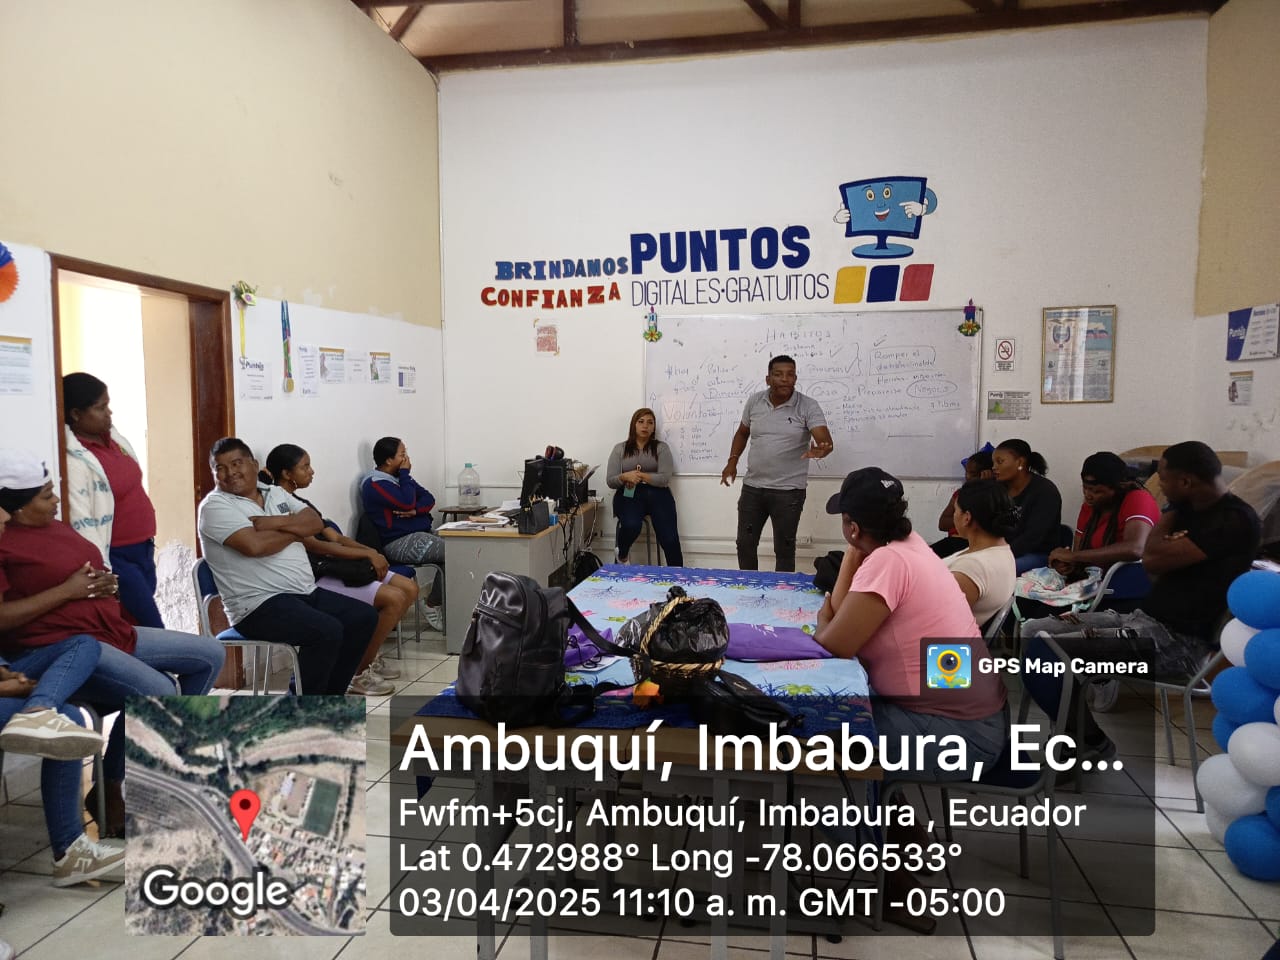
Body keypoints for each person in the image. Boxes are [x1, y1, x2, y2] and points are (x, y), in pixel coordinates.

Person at [813, 467, 1006, 933]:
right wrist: (852, 555)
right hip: (969, 716)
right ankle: (911, 842)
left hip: (960, 735)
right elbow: (842, 611)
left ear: (853, 526)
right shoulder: (910, 546)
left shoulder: (889, 563)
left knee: (832, 749)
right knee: (860, 726)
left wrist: (824, 617)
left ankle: (894, 890)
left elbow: (834, 641)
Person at [0, 449, 224, 839]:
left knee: (210, 655)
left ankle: (142, 767)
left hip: (110, 630)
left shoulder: (54, 526)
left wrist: (106, 584)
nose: (56, 500)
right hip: (62, 646)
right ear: (17, 508)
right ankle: (118, 784)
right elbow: (6, 616)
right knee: (161, 691)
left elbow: (85, 569)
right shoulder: (6, 542)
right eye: (46, 495)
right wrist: (69, 591)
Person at [1020, 441, 1262, 758]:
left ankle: (1088, 741)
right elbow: (1155, 563)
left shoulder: (1233, 520)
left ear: (1186, 482)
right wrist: (1171, 527)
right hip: (1144, 620)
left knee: (1048, 654)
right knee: (1031, 630)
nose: (1158, 487)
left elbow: (1149, 557)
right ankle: (1076, 732)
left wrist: (1171, 518)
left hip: (1177, 643)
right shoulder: (1191, 511)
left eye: (1164, 480)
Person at [198, 438, 375, 697]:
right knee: (327, 631)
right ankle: (302, 705)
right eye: (220, 468)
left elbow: (314, 521)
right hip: (257, 605)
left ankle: (330, 698)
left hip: (303, 593)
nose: (230, 472)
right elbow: (254, 546)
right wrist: (295, 529)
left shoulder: (274, 492)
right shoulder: (215, 506)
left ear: (253, 464)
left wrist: (273, 523)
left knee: (363, 617)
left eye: (236, 463)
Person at [261, 444, 419, 696]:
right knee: (394, 598)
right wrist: (367, 555)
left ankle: (366, 657)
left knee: (409, 588)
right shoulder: (277, 505)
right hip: (320, 573)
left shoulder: (300, 502)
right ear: (287, 474)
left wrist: (373, 553)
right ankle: (357, 673)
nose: (312, 471)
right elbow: (318, 547)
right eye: (305, 467)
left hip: (336, 565)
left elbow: (335, 537)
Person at [61, 372, 163, 627]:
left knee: (134, 625)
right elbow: (81, 519)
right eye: (101, 407)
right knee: (152, 626)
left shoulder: (114, 440)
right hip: (116, 555)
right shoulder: (75, 459)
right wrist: (102, 567)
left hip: (143, 548)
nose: (109, 413)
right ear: (76, 414)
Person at [720, 355, 834, 572]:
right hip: (753, 488)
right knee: (745, 545)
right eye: (778, 374)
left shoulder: (808, 406)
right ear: (768, 379)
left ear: (795, 378)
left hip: (788, 492)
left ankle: (783, 591)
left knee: (784, 549)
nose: (785, 379)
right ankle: (748, 586)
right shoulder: (755, 401)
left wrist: (823, 448)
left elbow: (824, 439)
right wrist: (732, 462)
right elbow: (742, 433)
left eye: (790, 374)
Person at [360, 436, 445, 630]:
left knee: (460, 547)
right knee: (455, 553)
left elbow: (428, 498)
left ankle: (447, 605)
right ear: (389, 460)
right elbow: (406, 502)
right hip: (399, 542)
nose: (407, 459)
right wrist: (406, 475)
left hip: (419, 533)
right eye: (402, 454)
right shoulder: (375, 484)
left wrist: (415, 511)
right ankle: (432, 604)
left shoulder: (398, 478)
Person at [606, 408, 683, 566]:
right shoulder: (620, 449)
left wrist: (640, 476)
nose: (645, 426)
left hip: (658, 494)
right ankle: (622, 554)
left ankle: (678, 574)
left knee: (670, 539)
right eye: (641, 422)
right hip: (629, 493)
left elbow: (664, 478)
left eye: (650, 422)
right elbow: (611, 481)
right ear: (633, 425)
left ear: (654, 427)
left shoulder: (661, 448)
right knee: (631, 525)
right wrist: (624, 477)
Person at [943, 479, 1018, 629]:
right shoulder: (1000, 550)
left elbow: (939, 623)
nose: (954, 516)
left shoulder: (972, 568)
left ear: (967, 518)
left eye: (956, 510)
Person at [992, 438, 1062, 574]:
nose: (994, 467)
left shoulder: (1045, 491)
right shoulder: (998, 489)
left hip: (1037, 553)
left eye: (1000, 462)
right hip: (1003, 551)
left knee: (996, 571)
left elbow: (1033, 537)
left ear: (1020, 462)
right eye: (993, 463)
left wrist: (1000, 556)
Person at [931, 448, 994, 558]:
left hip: (973, 544)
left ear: (986, 474)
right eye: (966, 472)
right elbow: (942, 524)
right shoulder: (960, 494)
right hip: (954, 541)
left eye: (973, 474)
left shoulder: (994, 495)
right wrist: (962, 519)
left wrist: (985, 487)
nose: (968, 477)